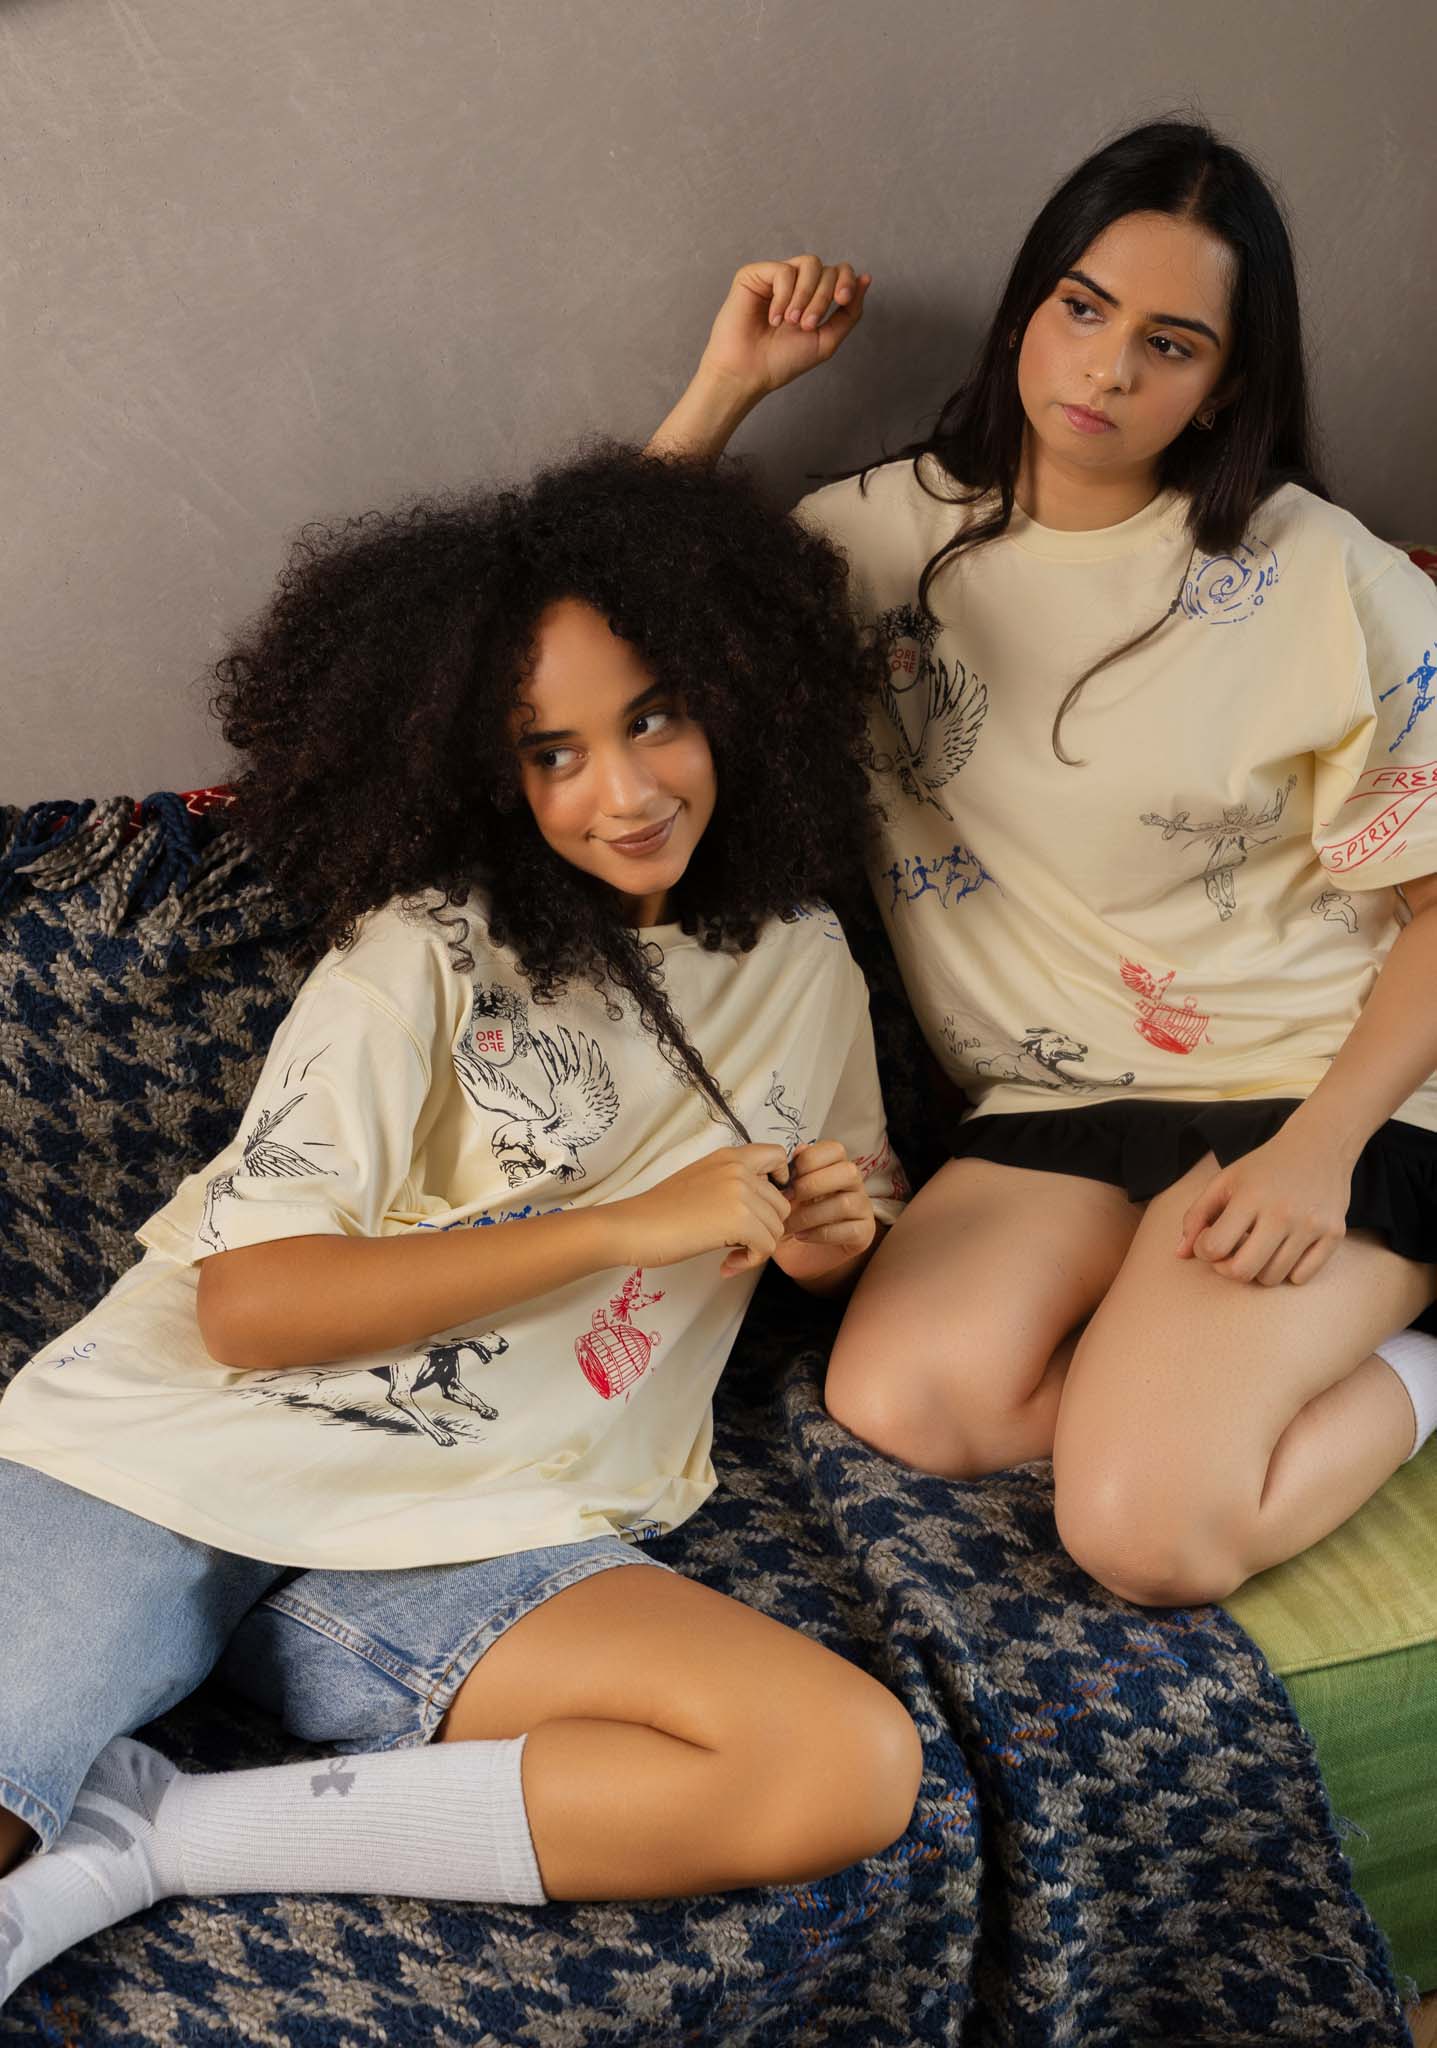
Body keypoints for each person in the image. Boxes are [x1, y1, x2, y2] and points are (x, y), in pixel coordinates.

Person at [0, 449, 922, 2007]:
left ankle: (165, 1838)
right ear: (480, 768)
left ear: (728, 696)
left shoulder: (804, 961)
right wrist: (628, 1225)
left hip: (480, 1519)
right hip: (164, 1463)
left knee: (838, 1764)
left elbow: (853, 1203)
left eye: (651, 719)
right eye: (548, 753)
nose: (619, 793)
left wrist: (832, 1239)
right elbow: (249, 1312)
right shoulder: (416, 954)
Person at [648, 119, 1437, 1607]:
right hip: (1055, 1099)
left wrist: (1316, 1157)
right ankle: (1180, 1375)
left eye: (1170, 343)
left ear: (1224, 387)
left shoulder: (1326, 573)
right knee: (905, 1404)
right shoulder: (868, 545)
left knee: (1145, 1537)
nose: (1106, 371)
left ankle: (1415, 1358)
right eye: (1080, 310)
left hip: (1317, 1093)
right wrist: (728, 389)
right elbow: (592, 652)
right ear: (1026, 309)